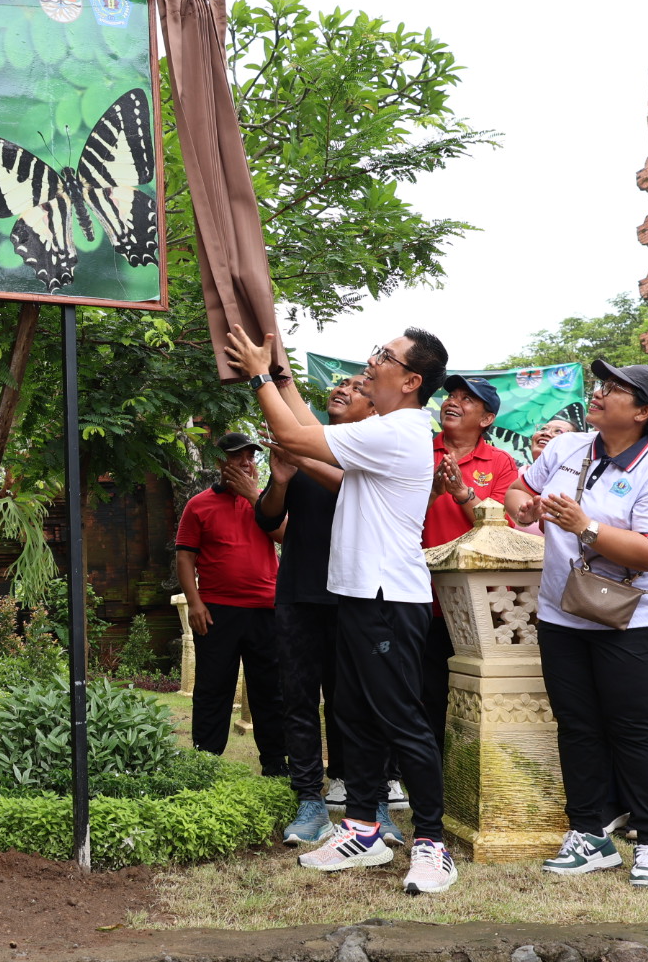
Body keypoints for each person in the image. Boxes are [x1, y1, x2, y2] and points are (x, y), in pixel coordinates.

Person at [227, 326, 458, 896]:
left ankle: (432, 842)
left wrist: (260, 376)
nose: (371, 361)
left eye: (384, 356)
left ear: (411, 380)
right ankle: (361, 830)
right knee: (353, 717)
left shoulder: (399, 429)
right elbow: (317, 449)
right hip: (356, 594)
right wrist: (280, 372)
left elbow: (293, 435)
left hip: (387, 598)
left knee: (400, 719)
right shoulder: (385, 431)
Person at [504, 359, 648, 891]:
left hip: (633, 623)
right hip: (561, 615)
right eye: (602, 385)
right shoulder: (567, 448)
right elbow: (518, 489)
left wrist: (586, 526)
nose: (599, 393)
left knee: (635, 731)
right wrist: (525, 508)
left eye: (615, 389)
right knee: (577, 728)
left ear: (642, 413)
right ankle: (589, 835)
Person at [256, 376, 403, 849]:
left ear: (373, 409)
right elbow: (267, 517)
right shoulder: (302, 446)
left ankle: (373, 804)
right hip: (300, 593)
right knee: (298, 700)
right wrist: (281, 482)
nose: (343, 389)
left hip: (357, 595)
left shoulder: (372, 453)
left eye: (358, 387)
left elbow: (351, 494)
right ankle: (310, 802)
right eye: (340, 383)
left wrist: (302, 459)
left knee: (362, 702)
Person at [174, 432, 288, 776]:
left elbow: (285, 536)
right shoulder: (199, 505)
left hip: (266, 609)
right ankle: (206, 761)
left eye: (250, 457)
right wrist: (194, 603)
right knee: (213, 687)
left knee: (270, 689)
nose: (246, 462)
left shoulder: (267, 500)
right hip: (216, 611)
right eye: (238, 456)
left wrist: (254, 497)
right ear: (219, 462)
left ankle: (275, 763)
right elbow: (185, 557)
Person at [421, 375, 520, 745]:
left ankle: (467, 764)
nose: (453, 402)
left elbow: (500, 529)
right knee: (423, 691)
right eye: (452, 395)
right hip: (419, 592)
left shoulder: (501, 462)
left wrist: (462, 494)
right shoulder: (418, 450)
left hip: (477, 601)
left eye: (466, 399)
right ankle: (424, 769)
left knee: (474, 693)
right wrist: (433, 493)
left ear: (486, 418)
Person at [511, 418, 578, 537]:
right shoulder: (511, 475)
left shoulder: (577, 485)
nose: (546, 433)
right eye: (543, 429)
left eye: (558, 431)